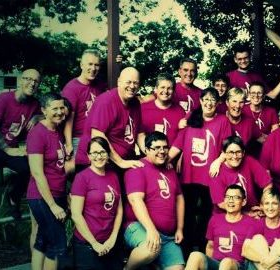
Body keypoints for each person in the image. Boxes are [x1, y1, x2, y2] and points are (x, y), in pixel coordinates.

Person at [169, 87, 232, 255]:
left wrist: (218, 161)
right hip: (189, 175)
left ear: (218, 103)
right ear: (201, 101)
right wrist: (163, 161)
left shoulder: (223, 121)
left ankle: (203, 251)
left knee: (206, 214)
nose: (209, 103)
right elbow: (178, 144)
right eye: (206, 99)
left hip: (210, 176)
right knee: (187, 213)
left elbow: (229, 147)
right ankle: (186, 249)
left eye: (213, 100)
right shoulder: (192, 118)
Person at [124, 132, 185, 270]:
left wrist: (180, 228)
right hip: (139, 227)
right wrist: (151, 229)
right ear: (146, 150)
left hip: (167, 236)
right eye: (156, 148)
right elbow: (135, 200)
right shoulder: (137, 168)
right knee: (150, 249)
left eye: (165, 147)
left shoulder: (170, 170)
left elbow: (179, 198)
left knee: (178, 268)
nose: (162, 151)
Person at [26, 93, 71, 270]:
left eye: (62, 108)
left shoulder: (58, 130)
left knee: (42, 241)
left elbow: (57, 168)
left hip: (58, 193)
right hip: (42, 197)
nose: (60, 112)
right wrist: (52, 205)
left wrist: (65, 194)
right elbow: (37, 172)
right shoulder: (38, 133)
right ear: (44, 110)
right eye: (54, 108)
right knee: (57, 245)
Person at [75, 67, 143, 171]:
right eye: (128, 82)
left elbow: (139, 133)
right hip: (97, 162)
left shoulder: (135, 103)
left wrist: (149, 152)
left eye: (135, 83)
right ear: (119, 82)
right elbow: (97, 135)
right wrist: (121, 162)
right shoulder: (106, 101)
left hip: (122, 160)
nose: (132, 86)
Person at [70, 136, 123, 269]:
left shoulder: (114, 176)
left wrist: (113, 237)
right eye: (94, 153)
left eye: (102, 152)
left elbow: (119, 209)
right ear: (88, 155)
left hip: (110, 242)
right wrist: (94, 243)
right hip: (87, 244)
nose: (99, 156)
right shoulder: (82, 178)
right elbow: (76, 214)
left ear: (108, 154)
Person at [0, 68, 42, 219]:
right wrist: (7, 149)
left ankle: (13, 198)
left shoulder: (35, 104)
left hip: (11, 149)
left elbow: (50, 112)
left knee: (28, 168)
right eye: (28, 79)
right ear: (21, 80)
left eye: (36, 81)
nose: (32, 83)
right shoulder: (4, 99)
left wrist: (38, 117)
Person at [185, 185, 254, 270]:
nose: (230, 201)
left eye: (236, 197)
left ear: (243, 202)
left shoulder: (251, 223)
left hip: (237, 265)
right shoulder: (215, 219)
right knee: (195, 255)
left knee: (226, 262)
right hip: (216, 263)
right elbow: (210, 246)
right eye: (228, 197)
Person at [210, 136, 272, 216]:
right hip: (226, 216)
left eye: (238, 152)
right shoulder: (216, 171)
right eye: (231, 152)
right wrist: (248, 214)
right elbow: (221, 204)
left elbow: (268, 184)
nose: (235, 156)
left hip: (252, 210)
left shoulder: (249, 161)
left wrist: (264, 205)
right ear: (224, 153)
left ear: (243, 153)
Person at [62, 49, 107, 158]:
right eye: (90, 64)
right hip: (79, 139)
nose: (93, 68)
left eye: (96, 65)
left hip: (98, 138)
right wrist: (69, 144)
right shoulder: (72, 88)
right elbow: (68, 119)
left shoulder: (100, 86)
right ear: (82, 65)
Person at [243, 187, 280, 270]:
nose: (270, 207)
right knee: (258, 239)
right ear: (261, 206)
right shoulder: (256, 224)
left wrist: (276, 260)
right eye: (267, 203)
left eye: (274, 203)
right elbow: (245, 251)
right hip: (260, 266)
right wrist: (265, 261)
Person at [137, 73, 185, 152]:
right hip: (148, 159)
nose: (165, 91)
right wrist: (149, 155)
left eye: (169, 88)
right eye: (162, 87)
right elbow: (139, 135)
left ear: (173, 91)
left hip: (171, 160)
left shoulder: (180, 112)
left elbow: (181, 139)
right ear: (155, 89)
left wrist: (169, 158)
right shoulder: (143, 109)